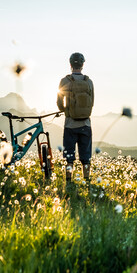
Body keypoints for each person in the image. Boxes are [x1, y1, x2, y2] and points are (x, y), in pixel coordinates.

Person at [56, 52, 94, 183]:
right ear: (83, 65)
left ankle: (68, 182)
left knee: (69, 156)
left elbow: (60, 103)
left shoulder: (65, 81)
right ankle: (87, 181)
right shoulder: (88, 82)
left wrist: (66, 111)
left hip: (70, 124)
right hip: (86, 124)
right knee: (86, 157)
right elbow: (92, 102)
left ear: (70, 64)